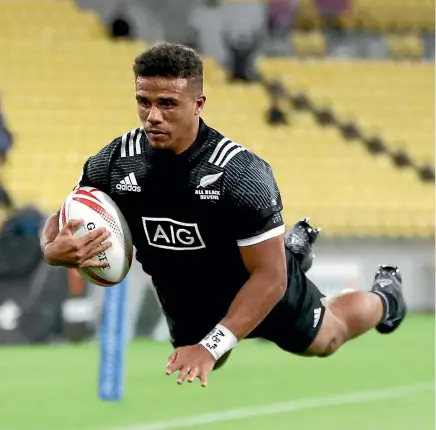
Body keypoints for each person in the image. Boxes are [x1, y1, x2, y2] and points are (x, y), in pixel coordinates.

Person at [40, 43, 406, 388]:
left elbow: (270, 278)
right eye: (143, 102)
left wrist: (210, 344)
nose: (153, 116)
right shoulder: (115, 161)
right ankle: (290, 251)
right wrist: (50, 248)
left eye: (168, 103)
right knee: (217, 358)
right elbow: (65, 213)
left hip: (255, 280)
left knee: (326, 338)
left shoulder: (240, 173)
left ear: (198, 103)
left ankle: (385, 295)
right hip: (183, 292)